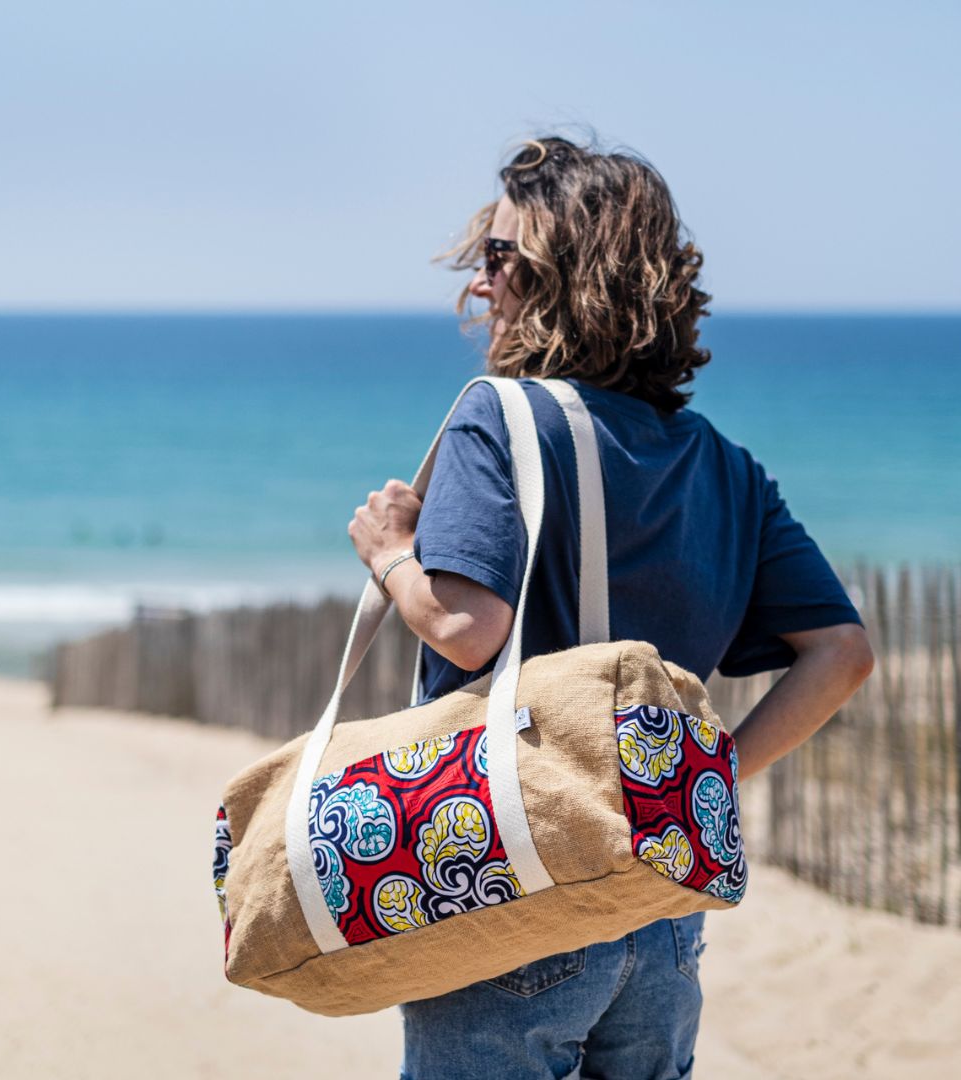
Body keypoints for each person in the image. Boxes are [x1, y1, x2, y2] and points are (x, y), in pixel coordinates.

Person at [347, 135, 875, 1080]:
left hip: (511, 885)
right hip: (659, 902)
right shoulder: (725, 466)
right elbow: (841, 653)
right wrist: (703, 777)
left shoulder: (499, 416)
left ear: (560, 276)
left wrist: (391, 555)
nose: (481, 284)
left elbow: (468, 628)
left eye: (501, 256)